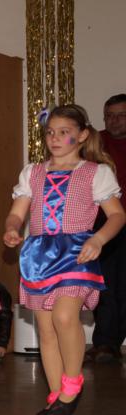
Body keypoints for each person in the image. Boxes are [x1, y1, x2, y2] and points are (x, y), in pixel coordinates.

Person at [4, 104, 124, 415]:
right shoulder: (33, 172)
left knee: (65, 316)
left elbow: (117, 215)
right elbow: (17, 212)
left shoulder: (95, 172)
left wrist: (98, 240)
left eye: (64, 132)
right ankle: (56, 393)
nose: (55, 138)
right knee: (45, 329)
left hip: (76, 252)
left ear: (82, 135)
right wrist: (12, 228)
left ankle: (72, 384)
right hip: (40, 256)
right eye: (50, 132)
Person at [88, 94, 126, 363]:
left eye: (121, 115)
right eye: (109, 116)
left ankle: (110, 342)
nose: (114, 121)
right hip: (102, 223)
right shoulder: (96, 143)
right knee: (103, 283)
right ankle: (104, 343)